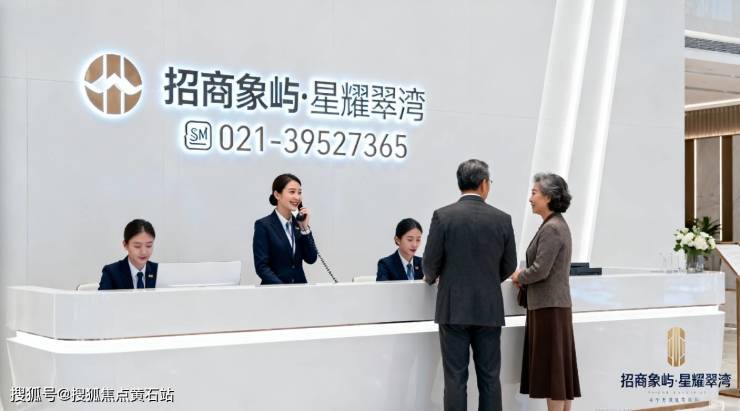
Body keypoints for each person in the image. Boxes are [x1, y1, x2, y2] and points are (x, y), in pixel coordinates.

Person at [422, 159, 517, 411]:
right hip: (489, 309)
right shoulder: (502, 219)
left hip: (453, 309)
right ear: (484, 184)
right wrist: (488, 281)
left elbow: (429, 264)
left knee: (455, 378)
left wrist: (432, 278)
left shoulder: (443, 216)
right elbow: (510, 265)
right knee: (490, 378)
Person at [511, 173, 581, 411]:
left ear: (548, 197)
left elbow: (541, 269)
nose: (530, 198)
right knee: (559, 374)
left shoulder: (552, 228)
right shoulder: (556, 224)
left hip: (549, 307)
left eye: (534, 193)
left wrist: (519, 276)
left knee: (554, 375)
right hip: (553, 305)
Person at [253, 173, 317, 284]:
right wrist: (283, 289)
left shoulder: (299, 225)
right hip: (275, 291)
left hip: (300, 290)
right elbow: (261, 267)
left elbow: (311, 258)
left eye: (299, 192)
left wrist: (304, 228)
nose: (297, 197)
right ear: (277, 195)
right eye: (292, 192)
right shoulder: (263, 225)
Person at [98, 219, 158, 290]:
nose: (143, 252)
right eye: (137, 246)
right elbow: (102, 297)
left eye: (149, 246)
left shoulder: (158, 271)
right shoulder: (111, 273)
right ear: (125, 245)